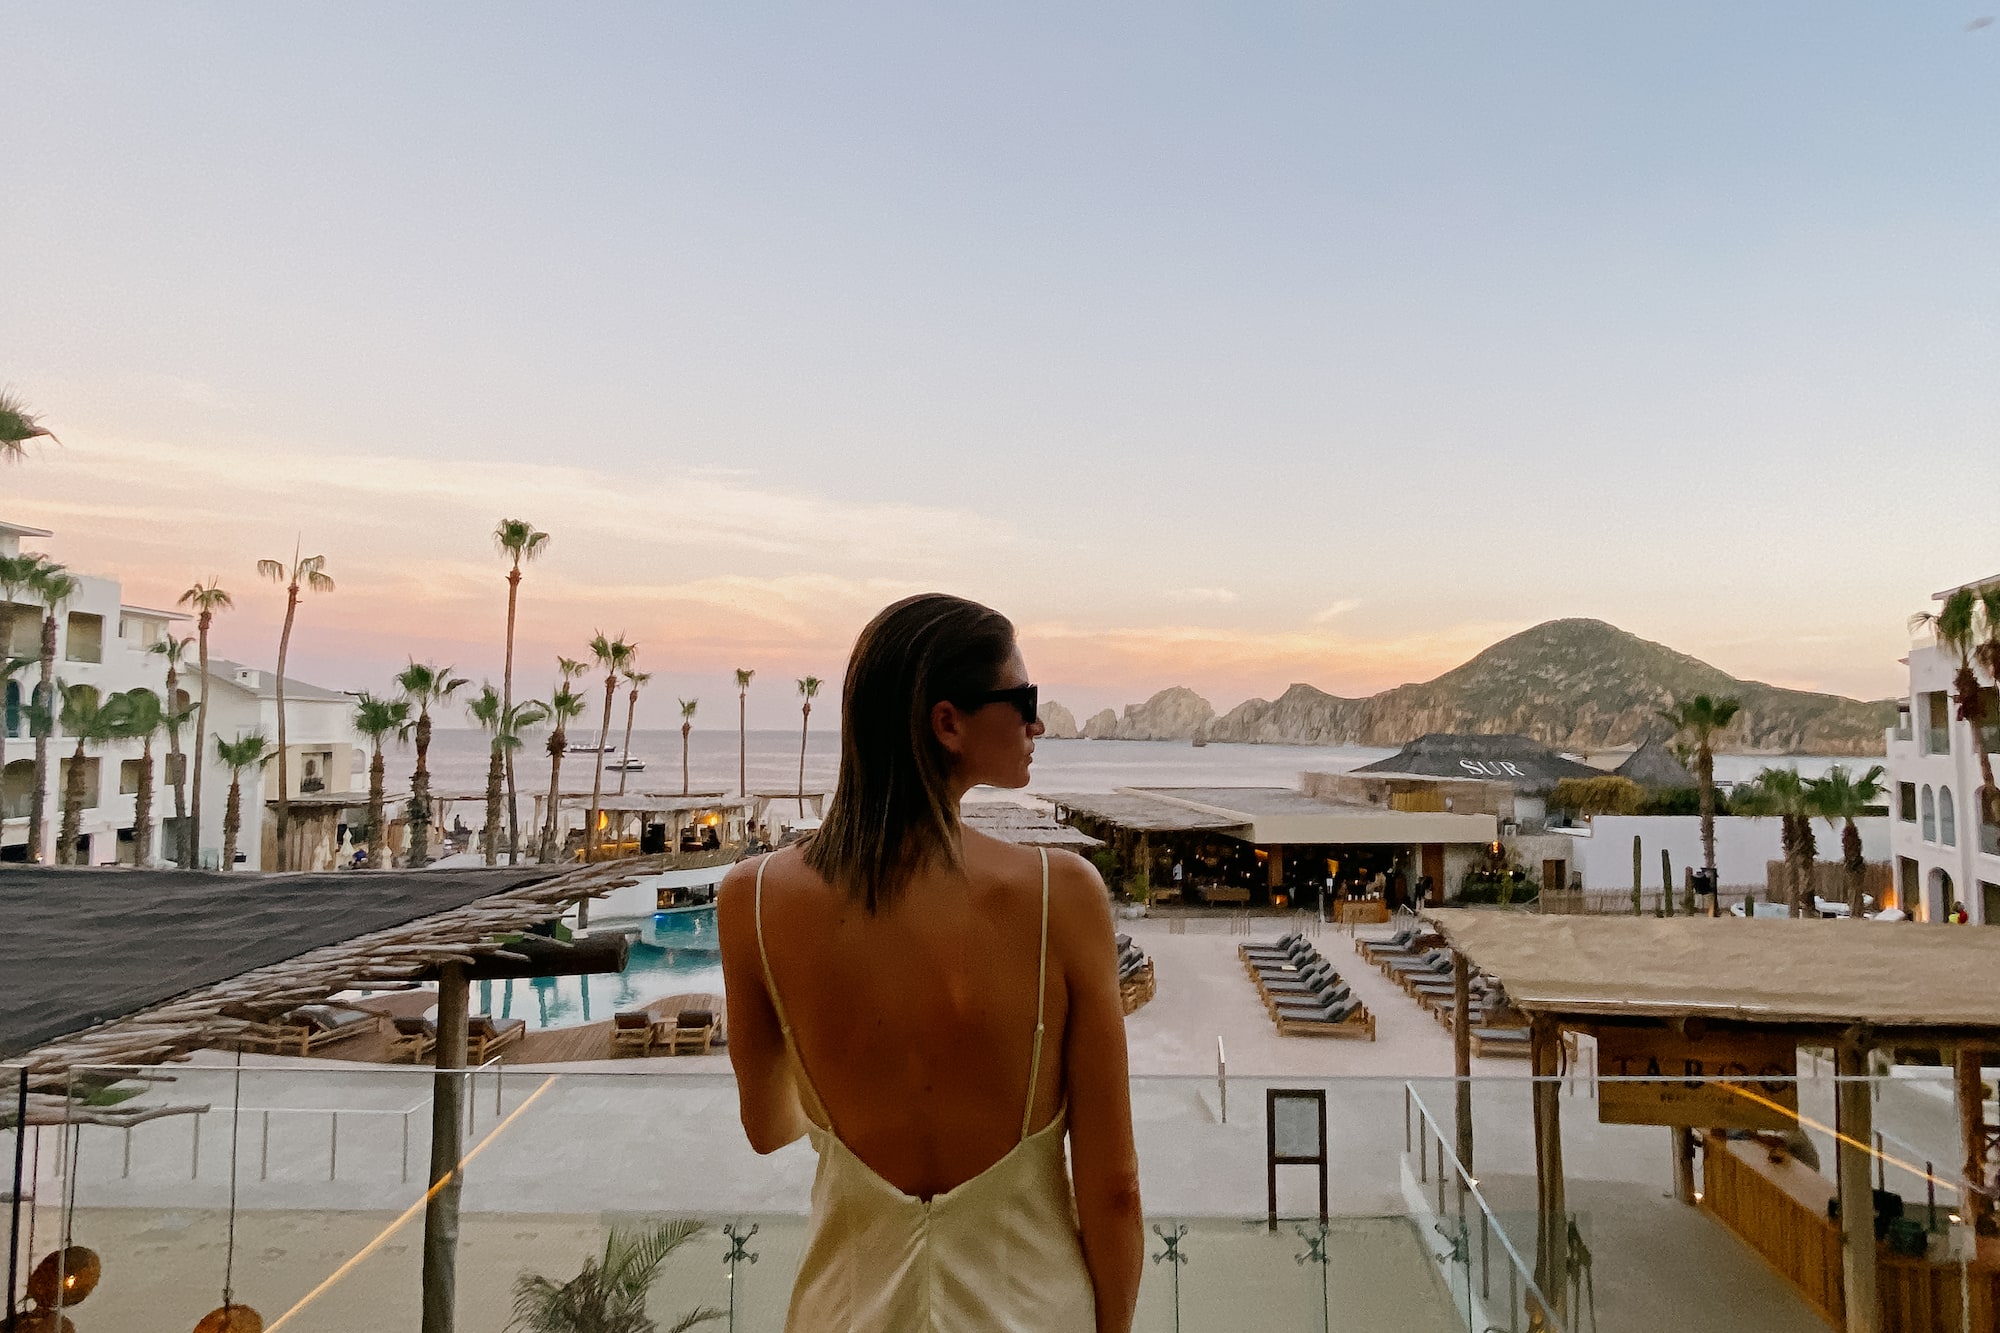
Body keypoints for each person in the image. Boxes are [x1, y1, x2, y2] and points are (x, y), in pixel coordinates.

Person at [719, 594, 1142, 1333]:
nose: (1038, 724)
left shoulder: (751, 900)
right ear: (948, 723)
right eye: (1024, 701)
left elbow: (770, 1125)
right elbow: (1115, 1190)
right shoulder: (1062, 897)